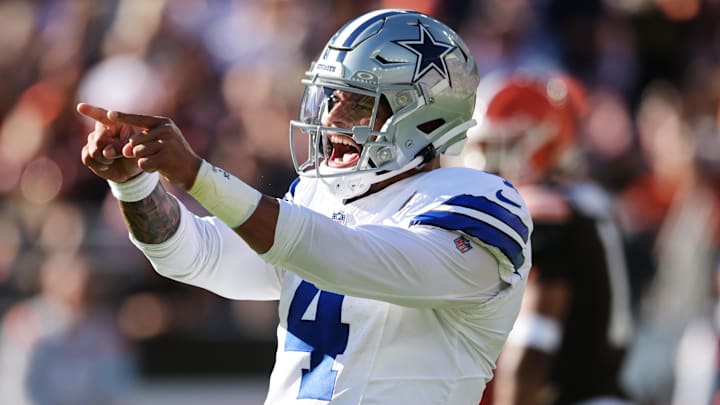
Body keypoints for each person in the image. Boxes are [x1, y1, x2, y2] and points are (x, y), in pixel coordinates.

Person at [78, 9, 532, 404]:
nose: (332, 117)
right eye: (331, 96)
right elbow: (194, 255)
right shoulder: (319, 195)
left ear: (423, 116)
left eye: (358, 101)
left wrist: (198, 175)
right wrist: (135, 184)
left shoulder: (479, 204)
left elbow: (350, 257)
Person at [455, 71, 634, 405]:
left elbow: (533, 346)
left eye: (496, 149)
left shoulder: (544, 213)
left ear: (539, 143)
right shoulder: (583, 202)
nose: (482, 166)